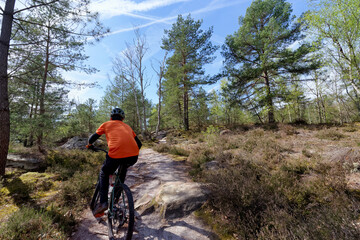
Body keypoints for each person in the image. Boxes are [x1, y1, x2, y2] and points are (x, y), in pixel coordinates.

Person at [86, 107, 142, 216]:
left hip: (115, 155)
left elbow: (93, 138)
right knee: (122, 170)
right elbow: (139, 144)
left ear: (111, 117)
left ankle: (103, 203)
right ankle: (116, 198)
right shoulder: (128, 127)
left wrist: (89, 145)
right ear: (123, 118)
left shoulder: (106, 124)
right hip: (133, 156)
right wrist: (129, 151)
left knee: (104, 172)